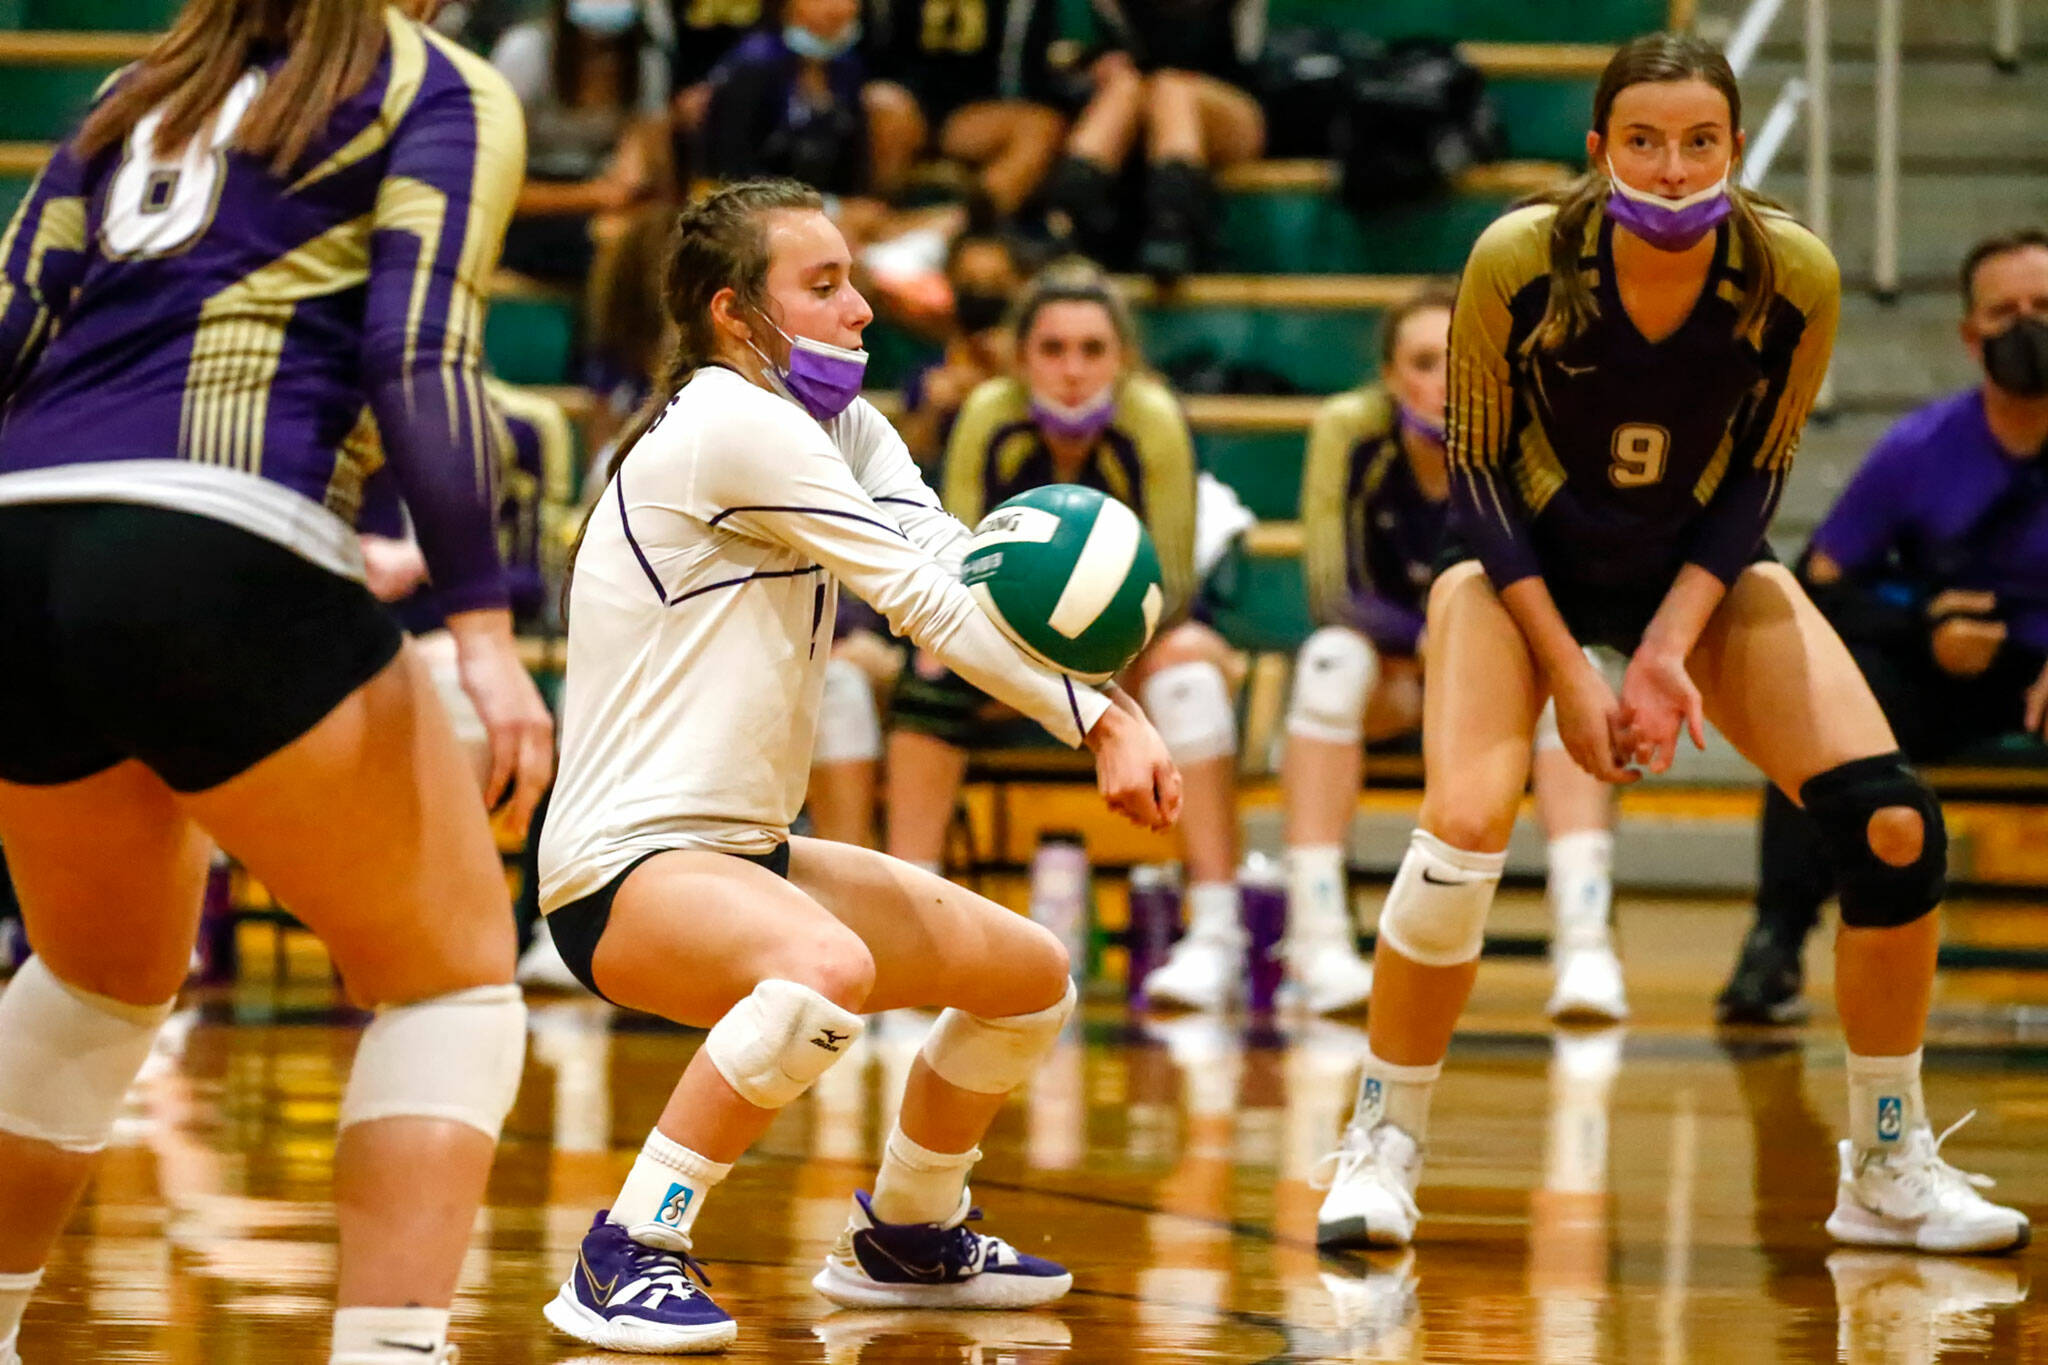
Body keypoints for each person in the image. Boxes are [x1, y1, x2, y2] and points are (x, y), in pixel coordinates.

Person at [1310, 33, 2028, 1257]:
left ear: (1734, 150)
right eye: (1642, 139)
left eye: (1699, 141)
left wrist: (1661, 648)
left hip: (1690, 568)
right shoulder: (1519, 259)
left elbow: (1757, 480)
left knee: (1890, 822)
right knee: (1465, 828)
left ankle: (1888, 1161)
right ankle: (1382, 1140)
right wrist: (1565, 667)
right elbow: (1475, 476)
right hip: (1512, 571)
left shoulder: (1789, 272)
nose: (1672, 165)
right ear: (1600, 151)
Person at [535, 179, 1182, 1352]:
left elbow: (948, 551)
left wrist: (1105, 692)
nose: (860, 310)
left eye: (854, 280)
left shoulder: (842, 427)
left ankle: (909, 1232)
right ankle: (629, 1245)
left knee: (1025, 978)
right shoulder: (730, 424)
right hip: (619, 871)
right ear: (736, 313)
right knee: (819, 966)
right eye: (822, 286)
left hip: (742, 854)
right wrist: (1096, 721)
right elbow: (920, 600)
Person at [0, 2, 556, 1363]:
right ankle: (387, 1350)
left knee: (92, 979)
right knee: (452, 984)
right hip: (220, 530)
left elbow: (12, 319)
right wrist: (485, 631)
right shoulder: (432, 84)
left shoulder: (137, 90)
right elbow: (420, 352)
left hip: (16, 541)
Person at [883, 261, 1249, 1012]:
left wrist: (1077, 669)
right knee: (927, 668)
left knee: (1191, 672)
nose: (1073, 369)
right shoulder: (990, 415)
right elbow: (956, 567)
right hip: (1000, 649)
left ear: (1123, 357)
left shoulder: (1150, 419)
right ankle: (909, 925)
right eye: (1052, 349)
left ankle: (1216, 931)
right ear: (1021, 359)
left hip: (1129, 650)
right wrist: (1024, 661)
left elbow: (1170, 589)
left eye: (1092, 349)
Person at [1717, 228, 2048, 1024]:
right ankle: (1777, 940)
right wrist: (1924, 628)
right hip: (1938, 671)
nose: (2027, 326)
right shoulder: (1919, 448)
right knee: (1824, 705)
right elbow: (1818, 583)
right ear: (1971, 337)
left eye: (2044, 307)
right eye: (2005, 312)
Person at [1284, 288, 1626, 1020]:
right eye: (1421, 362)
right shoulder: (1351, 433)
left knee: (1582, 676)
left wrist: (1474, 652)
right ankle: (1316, 943)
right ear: (1387, 377)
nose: (1441, 380)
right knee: (1327, 664)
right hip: (1394, 676)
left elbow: (1565, 582)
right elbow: (1330, 587)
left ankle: (1586, 941)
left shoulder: (1523, 436)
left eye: (1457, 362)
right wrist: (1423, 639)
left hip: (1502, 674)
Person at [1041, 0, 1266, 279]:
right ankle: (1065, 222)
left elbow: (1246, 59)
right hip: (1137, 106)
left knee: (1172, 88)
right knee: (1124, 88)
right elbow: (1076, 60)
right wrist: (1101, 63)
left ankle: (1173, 227)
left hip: (1230, 107)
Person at [492, 0, 678, 281]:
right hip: (528, 201)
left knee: (635, 239)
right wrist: (592, 195)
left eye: (612, 47)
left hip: (602, 205)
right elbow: (495, 187)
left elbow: (649, 182)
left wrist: (636, 173)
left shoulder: (646, 64)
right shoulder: (525, 53)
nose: (603, 59)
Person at [700, 0, 922, 208]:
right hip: (758, 211)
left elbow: (853, 168)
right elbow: (731, 174)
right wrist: (828, 212)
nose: (837, 8)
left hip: (829, 207)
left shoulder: (848, 68)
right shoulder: (751, 65)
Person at [861, 0, 1067, 219]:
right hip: (903, 101)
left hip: (976, 109)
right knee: (884, 108)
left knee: (1041, 126)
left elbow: (1029, 72)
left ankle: (969, 225)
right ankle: (881, 223)